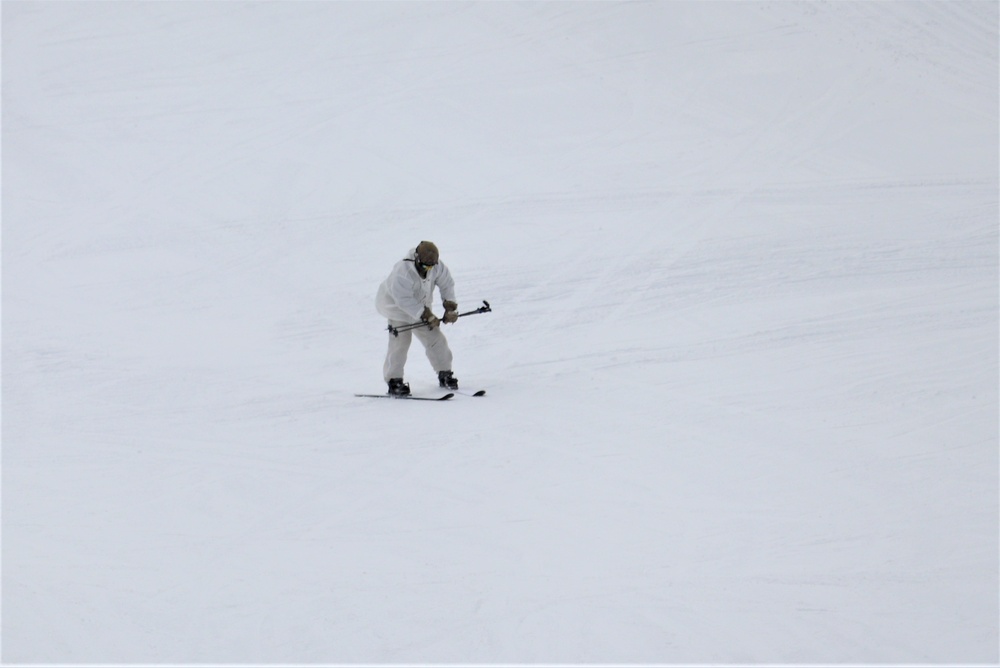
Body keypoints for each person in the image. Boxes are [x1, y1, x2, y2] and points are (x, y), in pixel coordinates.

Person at [376, 241, 460, 396]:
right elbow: (403, 299)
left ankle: (445, 374)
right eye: (424, 265)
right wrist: (427, 315)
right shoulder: (402, 271)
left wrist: (450, 307)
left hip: (421, 307)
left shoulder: (437, 266)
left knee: (436, 339)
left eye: (431, 266)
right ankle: (394, 381)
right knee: (400, 343)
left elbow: (447, 284)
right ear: (416, 258)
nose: (428, 269)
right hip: (396, 310)